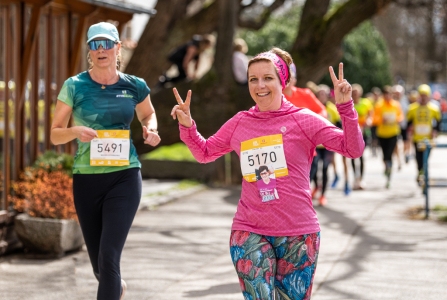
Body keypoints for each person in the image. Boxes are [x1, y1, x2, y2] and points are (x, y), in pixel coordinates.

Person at [171, 47, 364, 299]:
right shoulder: (240, 122)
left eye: (268, 78)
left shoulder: (304, 119)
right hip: (249, 229)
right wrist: (188, 126)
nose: (260, 85)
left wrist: (345, 108)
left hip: (298, 232)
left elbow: (353, 148)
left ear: (282, 81)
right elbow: (205, 152)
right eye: (253, 79)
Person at [50, 22, 161, 300]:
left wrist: (151, 129)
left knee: (110, 256)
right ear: (90, 50)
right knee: (101, 266)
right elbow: (54, 135)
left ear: (117, 47)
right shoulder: (74, 86)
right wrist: (74, 131)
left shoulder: (134, 85)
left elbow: (148, 114)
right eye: (95, 45)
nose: (101, 50)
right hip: (86, 179)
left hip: (124, 176)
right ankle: (117, 289)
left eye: (106, 43)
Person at [310, 84, 342, 204]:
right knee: (313, 168)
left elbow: (339, 127)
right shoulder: (312, 108)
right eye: (319, 93)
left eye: (324, 94)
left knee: (324, 169)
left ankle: (323, 195)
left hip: (328, 146)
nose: (321, 96)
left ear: (327, 95)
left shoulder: (333, 109)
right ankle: (316, 186)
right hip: (315, 146)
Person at [407, 84, 441, 183]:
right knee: (418, 158)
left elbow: (438, 123)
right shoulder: (413, 108)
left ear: (429, 96)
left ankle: (424, 174)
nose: (423, 97)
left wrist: (435, 131)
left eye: (425, 95)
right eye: (421, 95)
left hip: (428, 138)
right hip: (417, 138)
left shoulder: (434, 108)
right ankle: (420, 172)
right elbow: (408, 122)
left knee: (426, 158)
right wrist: (410, 128)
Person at [372, 86, 404, 188]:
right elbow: (374, 118)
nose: (387, 97)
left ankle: (389, 175)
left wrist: (397, 119)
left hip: (393, 133)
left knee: (390, 155)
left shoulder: (396, 104)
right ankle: (386, 167)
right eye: (385, 95)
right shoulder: (379, 105)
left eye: (389, 95)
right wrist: (382, 120)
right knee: (384, 155)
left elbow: (400, 116)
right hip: (382, 134)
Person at [351, 84, 373, 190]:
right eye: (353, 92)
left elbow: (371, 115)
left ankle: (361, 179)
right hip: (352, 135)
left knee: (362, 156)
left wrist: (369, 121)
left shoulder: (366, 103)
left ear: (360, 93)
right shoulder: (349, 104)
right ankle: (355, 178)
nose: (355, 94)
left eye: (357, 92)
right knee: (352, 156)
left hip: (364, 133)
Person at [393, 85, 411, 163]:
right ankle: (398, 159)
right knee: (395, 143)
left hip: (404, 125)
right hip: (394, 126)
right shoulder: (392, 102)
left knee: (406, 141)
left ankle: (405, 154)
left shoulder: (406, 101)